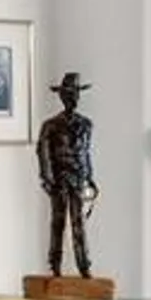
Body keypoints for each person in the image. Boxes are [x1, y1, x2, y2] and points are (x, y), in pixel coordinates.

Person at [37, 72, 100, 281]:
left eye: (75, 94)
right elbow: (43, 152)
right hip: (60, 179)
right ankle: (55, 265)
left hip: (79, 179)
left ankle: (84, 265)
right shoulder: (51, 125)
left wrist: (90, 177)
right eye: (68, 94)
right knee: (58, 223)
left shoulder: (86, 124)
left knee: (79, 224)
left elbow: (86, 152)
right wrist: (47, 178)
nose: (72, 98)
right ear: (61, 97)